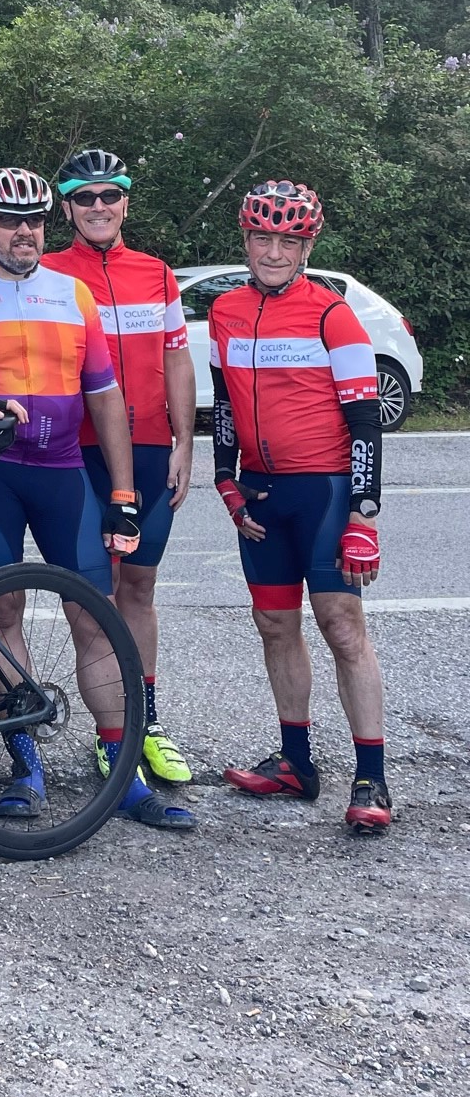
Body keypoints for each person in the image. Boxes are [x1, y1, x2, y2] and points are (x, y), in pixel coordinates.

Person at [0, 166, 194, 832]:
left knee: (94, 615)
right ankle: (24, 765)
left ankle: (122, 770)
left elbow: (104, 395)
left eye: (34, 221)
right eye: (9, 221)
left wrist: (122, 492)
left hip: (63, 472)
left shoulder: (73, 294)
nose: (24, 232)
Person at [208, 179, 390, 835]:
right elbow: (223, 405)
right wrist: (224, 480)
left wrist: (364, 515)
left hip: (325, 493)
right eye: (263, 237)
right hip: (261, 493)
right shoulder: (225, 311)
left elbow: (366, 422)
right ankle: (295, 763)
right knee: (275, 625)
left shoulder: (331, 314)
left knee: (342, 627)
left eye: (288, 241)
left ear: (307, 247)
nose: (274, 252)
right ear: (246, 239)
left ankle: (371, 776)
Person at [43, 147, 197, 787]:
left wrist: (186, 441)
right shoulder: (49, 271)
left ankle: (147, 723)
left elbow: (177, 359)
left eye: (110, 195)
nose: (98, 206)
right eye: (84, 197)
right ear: (68, 209)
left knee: (138, 588)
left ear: (125, 203)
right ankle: (112, 734)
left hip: (153, 448)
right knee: (93, 595)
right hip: (79, 451)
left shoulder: (156, 274)